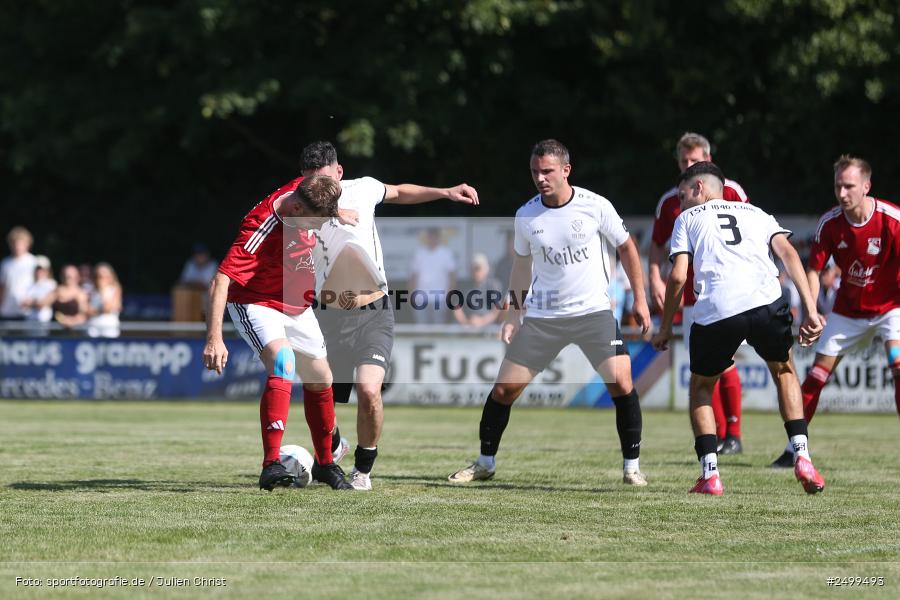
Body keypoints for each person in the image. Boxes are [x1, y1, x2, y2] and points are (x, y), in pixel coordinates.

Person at [449, 139, 651, 486]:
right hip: (543, 318)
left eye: (548, 171)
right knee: (503, 391)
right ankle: (485, 462)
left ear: (566, 170)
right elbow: (521, 267)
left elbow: (627, 248)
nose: (540, 178)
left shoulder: (594, 206)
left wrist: (640, 298)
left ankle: (632, 468)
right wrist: (513, 313)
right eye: (535, 172)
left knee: (621, 383)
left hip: (593, 314)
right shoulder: (526, 215)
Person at [301, 140, 479, 490]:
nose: (317, 189)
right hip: (328, 315)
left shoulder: (363, 189)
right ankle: (334, 446)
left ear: (339, 172)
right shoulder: (298, 202)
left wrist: (444, 191)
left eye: (324, 181)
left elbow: (399, 192)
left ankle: (363, 469)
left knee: (369, 390)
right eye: (310, 183)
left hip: (374, 311)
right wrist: (330, 212)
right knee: (320, 395)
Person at [652, 162, 826, 495]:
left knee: (702, 389)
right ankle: (802, 455)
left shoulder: (686, 219)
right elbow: (788, 253)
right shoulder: (756, 213)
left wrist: (664, 327)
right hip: (766, 303)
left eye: (683, 193)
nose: (680, 201)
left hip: (718, 309)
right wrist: (810, 309)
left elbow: (677, 276)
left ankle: (710, 474)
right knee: (785, 371)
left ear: (699, 189)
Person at [203, 175, 354, 491]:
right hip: (256, 302)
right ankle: (271, 464)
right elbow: (220, 281)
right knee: (284, 361)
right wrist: (214, 338)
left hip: (295, 302)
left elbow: (321, 172)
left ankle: (326, 464)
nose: (314, 229)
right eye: (313, 222)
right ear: (297, 207)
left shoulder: (307, 188)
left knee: (321, 378)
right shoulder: (261, 229)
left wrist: (336, 212)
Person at [770, 156, 900, 467]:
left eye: (850, 186)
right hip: (847, 312)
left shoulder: (891, 220)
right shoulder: (830, 223)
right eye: (838, 186)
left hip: (890, 309)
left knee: (899, 372)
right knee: (815, 378)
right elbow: (813, 271)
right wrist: (811, 312)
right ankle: (795, 450)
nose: (842, 193)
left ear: (866, 186)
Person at [647, 132, 749, 454]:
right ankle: (718, 435)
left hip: (727, 291)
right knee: (702, 367)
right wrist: (654, 278)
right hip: (691, 297)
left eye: (694, 161)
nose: (688, 166)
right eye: (683, 161)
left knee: (726, 362)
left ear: (708, 160)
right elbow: (656, 246)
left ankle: (733, 433)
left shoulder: (731, 191)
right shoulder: (671, 200)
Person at [408, 227, 457, 324]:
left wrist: (450, 295)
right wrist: (410, 294)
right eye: (430, 236)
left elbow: (452, 276)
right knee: (421, 328)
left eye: (435, 236)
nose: (432, 239)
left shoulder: (446, 254)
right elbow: (413, 276)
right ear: (427, 238)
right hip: (421, 298)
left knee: (438, 328)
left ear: (439, 238)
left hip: (440, 298)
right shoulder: (419, 254)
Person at [452, 253, 503, 328]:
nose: (476, 272)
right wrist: (466, 323)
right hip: (464, 327)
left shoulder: (494, 286)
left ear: (487, 269)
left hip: (487, 328)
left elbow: (495, 311)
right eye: (474, 268)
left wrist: (481, 322)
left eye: (479, 269)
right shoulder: (462, 285)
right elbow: (456, 308)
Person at [0, 226, 37, 320]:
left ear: (28, 244)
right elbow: (2, 287)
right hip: (7, 311)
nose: (17, 246)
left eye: (21, 243)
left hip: (27, 312)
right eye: (14, 243)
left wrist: (32, 301)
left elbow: (40, 285)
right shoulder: (5, 263)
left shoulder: (33, 262)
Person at [20, 256, 57, 335]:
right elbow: (23, 303)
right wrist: (36, 302)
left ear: (47, 270)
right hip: (29, 324)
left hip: (44, 325)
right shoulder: (29, 285)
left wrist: (32, 302)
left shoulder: (51, 284)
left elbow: (42, 304)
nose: (39, 271)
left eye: (42, 269)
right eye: (37, 269)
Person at [87, 262, 123, 338]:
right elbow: (87, 310)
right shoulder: (91, 290)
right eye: (98, 276)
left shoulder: (115, 289)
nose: (100, 279)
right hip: (93, 328)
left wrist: (102, 290)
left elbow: (108, 308)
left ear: (110, 276)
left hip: (109, 328)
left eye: (103, 276)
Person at [51, 264, 90, 332]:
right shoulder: (56, 291)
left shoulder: (81, 293)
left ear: (77, 277)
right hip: (56, 331)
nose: (67, 278)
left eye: (70, 276)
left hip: (75, 331)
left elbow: (84, 315)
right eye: (66, 275)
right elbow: (43, 304)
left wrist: (71, 321)